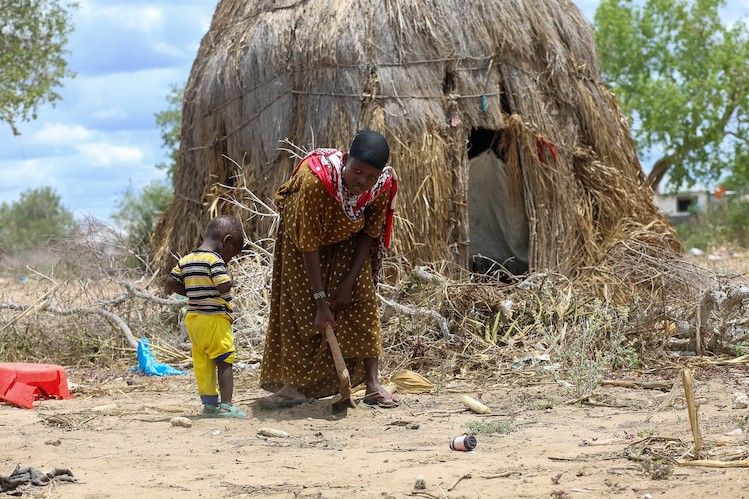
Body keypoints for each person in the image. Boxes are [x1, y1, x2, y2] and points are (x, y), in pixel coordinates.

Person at [258, 129, 400, 409]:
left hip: (346, 237)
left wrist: (348, 282)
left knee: (363, 302)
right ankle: (294, 387)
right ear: (346, 160)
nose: (363, 181)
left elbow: (370, 231)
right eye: (357, 171)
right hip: (302, 243)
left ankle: (372, 385)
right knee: (303, 309)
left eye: (370, 176)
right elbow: (308, 243)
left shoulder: (382, 186)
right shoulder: (315, 182)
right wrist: (321, 301)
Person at [166, 214, 246, 418]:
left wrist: (192, 292)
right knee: (224, 359)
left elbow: (171, 282)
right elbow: (223, 286)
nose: (230, 258)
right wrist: (229, 274)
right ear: (226, 241)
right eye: (233, 253)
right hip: (215, 320)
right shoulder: (215, 260)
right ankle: (227, 406)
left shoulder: (186, 259)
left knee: (203, 363)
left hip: (194, 321)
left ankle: (209, 406)